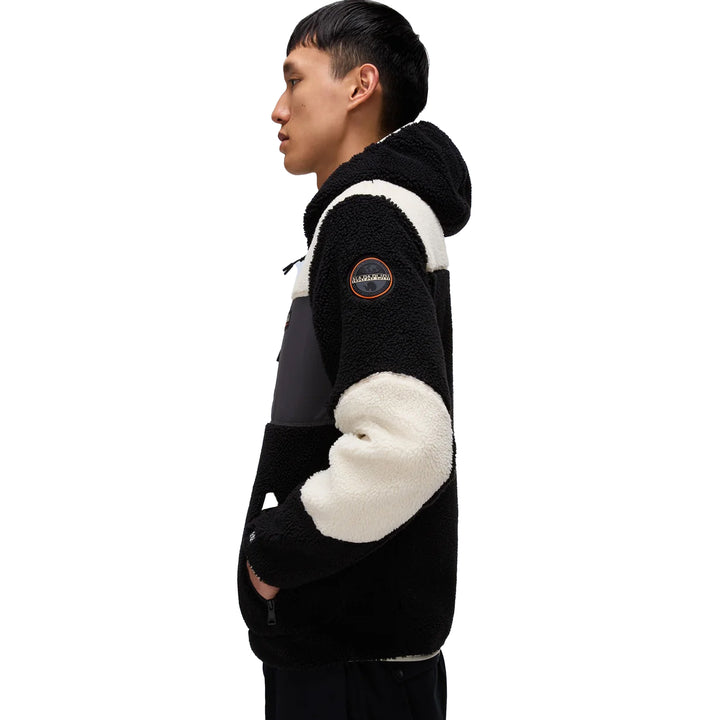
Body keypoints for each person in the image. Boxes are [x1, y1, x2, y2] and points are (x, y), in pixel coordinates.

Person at [237, 2, 472, 717]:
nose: (278, 109)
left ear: (359, 86)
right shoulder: (372, 216)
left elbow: (408, 445)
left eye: (294, 80)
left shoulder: (366, 220)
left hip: (349, 669)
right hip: (361, 659)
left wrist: (276, 551)